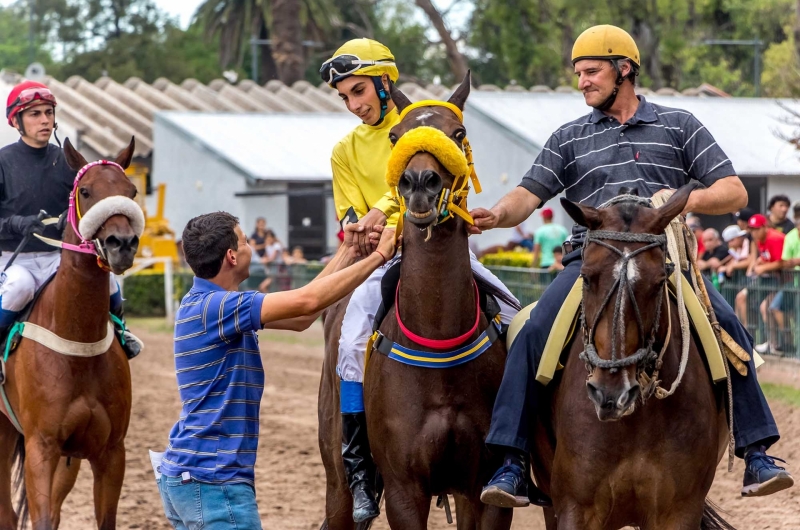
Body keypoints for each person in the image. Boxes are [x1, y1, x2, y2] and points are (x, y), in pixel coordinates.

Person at [469, 25, 792, 507]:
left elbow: (735, 192)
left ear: (625, 69)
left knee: (728, 327)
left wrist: (684, 199)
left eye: (592, 71)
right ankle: (512, 461)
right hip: (590, 265)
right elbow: (528, 195)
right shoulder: (569, 137)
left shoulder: (679, 125)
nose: (583, 82)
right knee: (531, 330)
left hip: (661, 263)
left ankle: (757, 451)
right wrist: (497, 214)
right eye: (579, 73)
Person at [320, 38, 522, 522]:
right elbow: (351, 214)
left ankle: (523, 453)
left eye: (360, 90)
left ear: (386, 83)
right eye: (346, 96)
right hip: (384, 261)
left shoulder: (421, 123)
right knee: (349, 341)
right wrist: (370, 224)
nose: (355, 104)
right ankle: (359, 466)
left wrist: (388, 211)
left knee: (516, 319)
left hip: (446, 250)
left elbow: (439, 181)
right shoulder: (345, 150)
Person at [153, 211, 397, 530]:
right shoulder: (222, 307)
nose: (249, 245)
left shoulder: (208, 303)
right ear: (231, 256)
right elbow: (307, 302)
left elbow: (301, 317)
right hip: (214, 483)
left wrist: (348, 251)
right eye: (244, 241)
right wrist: (380, 256)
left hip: (190, 477)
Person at [0, 80, 141, 359]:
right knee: (20, 287)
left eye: (48, 113)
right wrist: (18, 223)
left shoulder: (69, 163)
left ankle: (122, 332)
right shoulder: (3, 161)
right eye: (35, 114)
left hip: (59, 257)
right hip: (15, 260)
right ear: (16, 121)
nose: (45, 120)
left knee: (109, 281)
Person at [745, 214, 786, 355]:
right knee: (764, 307)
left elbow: (782, 262)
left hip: (786, 280)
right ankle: (772, 343)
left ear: (764, 227)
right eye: (751, 229)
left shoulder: (774, 238)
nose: (753, 232)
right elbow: (767, 256)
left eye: (756, 229)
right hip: (776, 281)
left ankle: (784, 344)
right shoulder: (759, 239)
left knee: (768, 307)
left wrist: (763, 268)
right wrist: (760, 262)